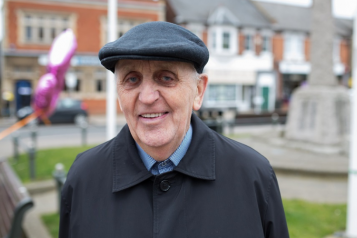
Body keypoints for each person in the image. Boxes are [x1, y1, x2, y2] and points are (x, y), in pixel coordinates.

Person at [59, 21, 289, 238]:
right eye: (132, 79)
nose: (147, 97)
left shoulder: (253, 176)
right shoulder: (84, 178)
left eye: (166, 78)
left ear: (198, 91)